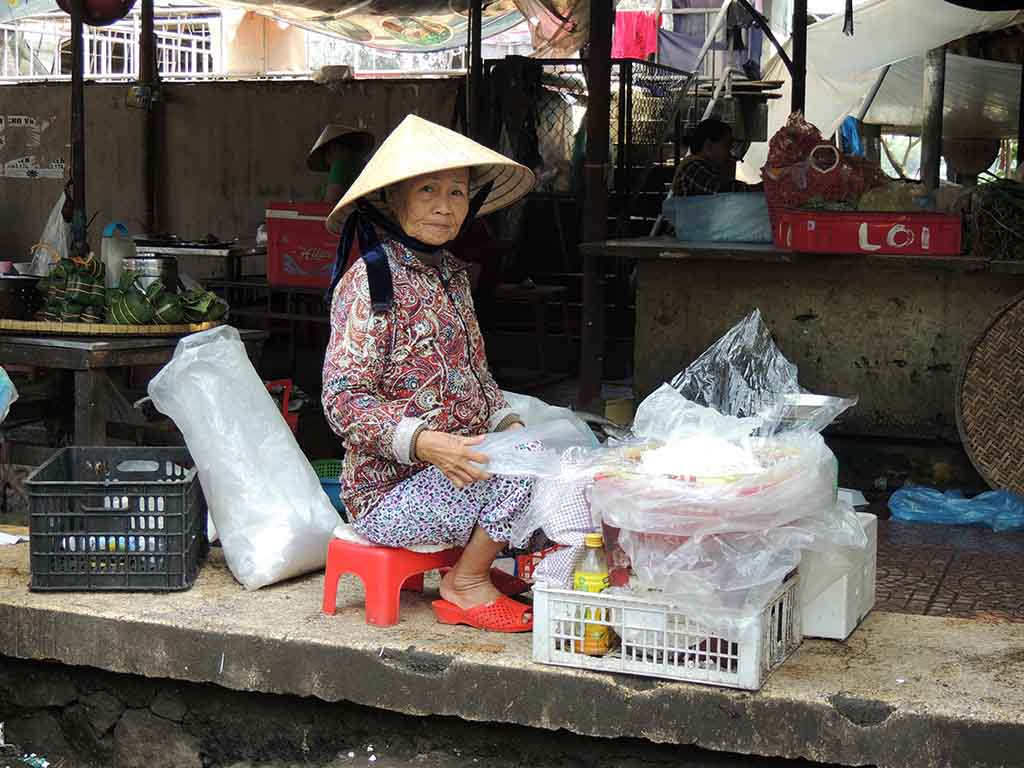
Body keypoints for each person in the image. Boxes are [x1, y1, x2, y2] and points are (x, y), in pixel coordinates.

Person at [322, 114, 560, 634]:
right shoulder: (371, 281)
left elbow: (476, 374)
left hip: (456, 473)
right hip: (389, 495)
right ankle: (466, 581)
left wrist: (506, 425)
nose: (443, 205)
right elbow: (343, 401)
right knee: (517, 476)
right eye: (427, 189)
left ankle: (477, 565)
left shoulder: (451, 275)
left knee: (553, 461)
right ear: (393, 201)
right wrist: (428, 444)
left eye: (456, 192)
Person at [671, 118, 752, 197]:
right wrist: (755, 188)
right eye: (726, 146)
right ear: (709, 146)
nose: (730, 152)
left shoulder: (709, 168)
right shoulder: (692, 167)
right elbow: (720, 189)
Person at [307, 124, 375, 207]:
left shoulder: (340, 165)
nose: (326, 159)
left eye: (325, 153)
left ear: (334, 148)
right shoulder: (364, 165)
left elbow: (330, 203)